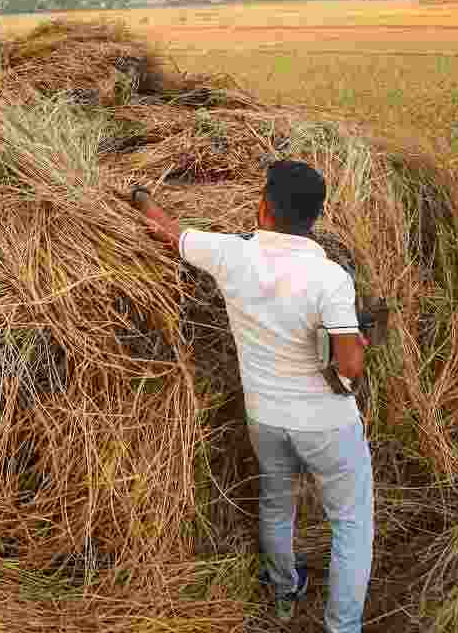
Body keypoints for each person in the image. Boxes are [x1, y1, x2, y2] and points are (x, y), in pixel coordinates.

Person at [124, 161, 373, 632]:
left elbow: (168, 232)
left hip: (266, 419)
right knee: (352, 522)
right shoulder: (330, 278)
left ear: (263, 208)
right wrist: (359, 342)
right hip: (326, 426)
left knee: (277, 502)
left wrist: (140, 199)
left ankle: (283, 592)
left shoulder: (229, 254)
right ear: (315, 216)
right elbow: (349, 367)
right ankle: (343, 627)